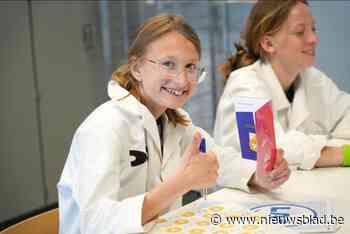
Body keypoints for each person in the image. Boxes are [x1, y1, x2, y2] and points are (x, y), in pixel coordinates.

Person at [57, 14, 290, 234]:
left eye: (190, 67)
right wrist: (181, 183)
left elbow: (219, 161)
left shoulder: (176, 121)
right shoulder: (104, 128)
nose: (181, 80)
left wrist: (258, 175)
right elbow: (94, 224)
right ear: (137, 68)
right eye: (169, 64)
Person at [214, 0, 350, 170]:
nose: (313, 39)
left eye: (313, 29)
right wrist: (343, 154)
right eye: (300, 32)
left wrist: (321, 151)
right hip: (246, 195)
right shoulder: (244, 85)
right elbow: (270, 150)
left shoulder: (313, 79)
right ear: (268, 44)